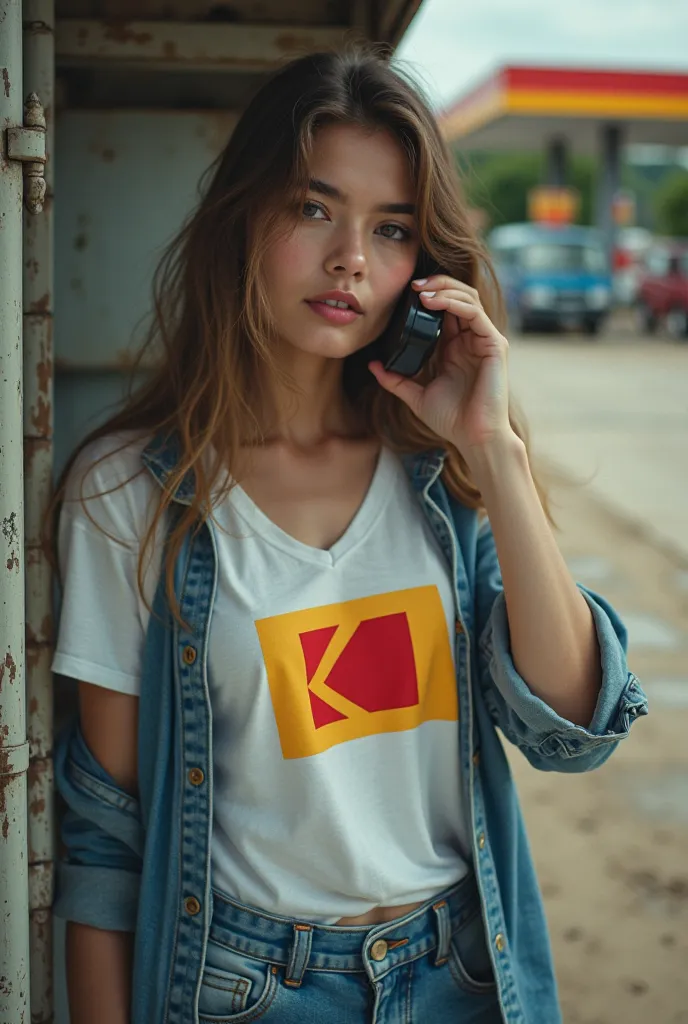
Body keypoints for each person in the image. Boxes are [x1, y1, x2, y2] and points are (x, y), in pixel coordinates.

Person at [50, 46, 648, 1024]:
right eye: (313, 208)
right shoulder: (128, 492)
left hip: (461, 974)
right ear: (246, 214)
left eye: (392, 228)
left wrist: (494, 451)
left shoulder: (445, 474)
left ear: (424, 261)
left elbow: (571, 730)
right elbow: (106, 837)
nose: (351, 261)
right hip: (241, 987)